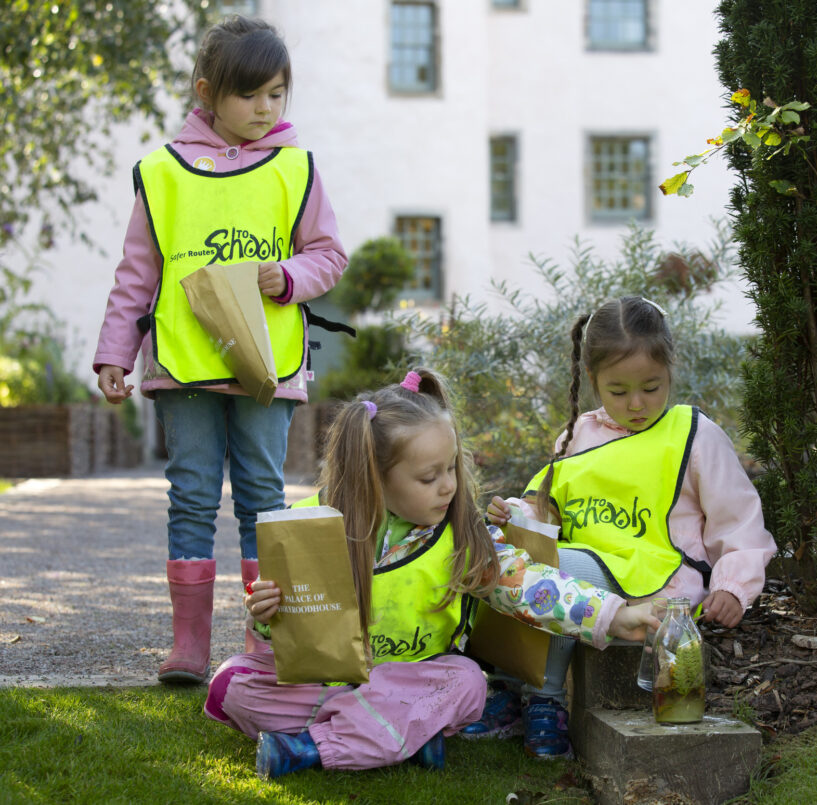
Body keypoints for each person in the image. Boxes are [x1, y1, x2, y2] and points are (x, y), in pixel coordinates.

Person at [202, 369, 658, 778]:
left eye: (451, 469)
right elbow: (282, 631)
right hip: (330, 686)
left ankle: (311, 749)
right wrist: (264, 613)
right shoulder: (311, 526)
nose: (449, 486)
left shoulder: (460, 539)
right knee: (231, 684)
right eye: (428, 477)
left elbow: (532, 587)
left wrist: (614, 617)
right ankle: (398, 737)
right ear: (376, 477)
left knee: (465, 683)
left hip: (412, 683)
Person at [92, 16, 347, 683]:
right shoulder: (161, 173)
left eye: (276, 94)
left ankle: (264, 640)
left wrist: (288, 277)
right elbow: (136, 273)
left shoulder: (298, 169)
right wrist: (114, 353)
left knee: (263, 496)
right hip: (184, 366)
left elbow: (329, 255)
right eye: (250, 95)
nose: (265, 109)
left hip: (266, 367)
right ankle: (188, 647)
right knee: (192, 494)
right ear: (208, 92)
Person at [465, 296, 775, 758]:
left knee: (559, 572)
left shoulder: (694, 433)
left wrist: (733, 585)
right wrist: (515, 517)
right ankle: (511, 687)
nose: (636, 404)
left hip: (658, 579)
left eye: (651, 387)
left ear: (671, 369)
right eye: (618, 390)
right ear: (593, 381)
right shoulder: (577, 437)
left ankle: (545, 702)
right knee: (505, 555)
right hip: (584, 566)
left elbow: (740, 520)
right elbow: (549, 510)